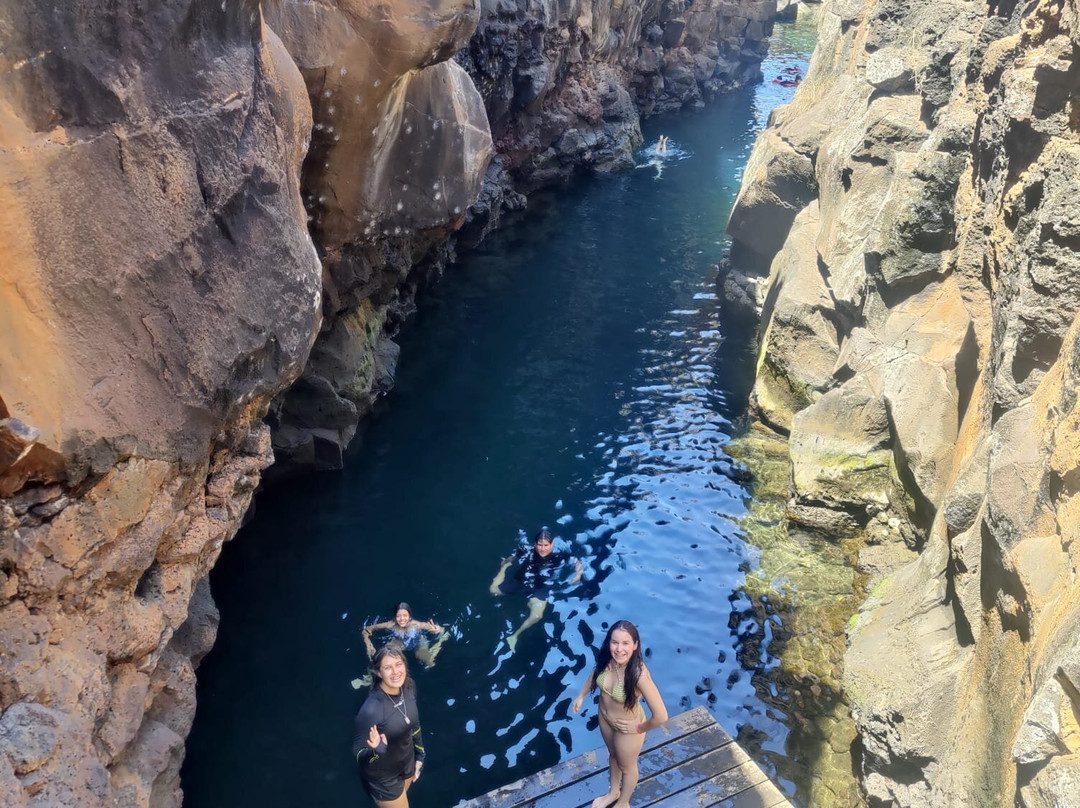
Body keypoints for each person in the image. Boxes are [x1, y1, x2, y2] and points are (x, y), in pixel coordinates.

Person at [572, 620, 668, 808]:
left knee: (627, 767)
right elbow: (595, 674)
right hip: (605, 718)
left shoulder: (639, 675)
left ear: (635, 645)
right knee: (613, 755)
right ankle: (613, 792)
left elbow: (661, 715)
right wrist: (581, 695)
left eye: (625, 643)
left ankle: (623, 803)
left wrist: (638, 728)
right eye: (614, 642)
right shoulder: (608, 658)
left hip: (627, 728)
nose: (619, 649)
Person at [352, 646, 426, 808]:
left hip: (407, 763)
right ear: (379, 673)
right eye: (387, 668)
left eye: (398, 664)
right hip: (383, 777)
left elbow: (413, 724)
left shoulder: (409, 686)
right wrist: (376, 750)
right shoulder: (371, 709)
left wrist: (420, 755)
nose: (395, 672)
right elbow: (358, 753)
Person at [489, 528, 583, 652]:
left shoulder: (559, 555)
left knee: (537, 616)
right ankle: (504, 571)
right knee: (493, 591)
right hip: (521, 579)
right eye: (539, 545)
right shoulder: (527, 551)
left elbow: (576, 561)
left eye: (546, 545)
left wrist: (578, 575)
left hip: (541, 586)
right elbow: (511, 558)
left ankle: (514, 636)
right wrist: (505, 564)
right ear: (535, 544)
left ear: (552, 545)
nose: (542, 549)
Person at [362, 603, 448, 668]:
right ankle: (367, 678)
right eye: (398, 616)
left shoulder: (417, 625)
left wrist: (437, 630)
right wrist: (368, 645)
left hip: (418, 642)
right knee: (379, 660)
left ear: (410, 617)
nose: (402, 619)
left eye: (405, 615)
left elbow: (442, 629)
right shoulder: (390, 625)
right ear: (395, 617)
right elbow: (366, 630)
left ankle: (441, 641)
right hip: (399, 643)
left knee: (429, 663)